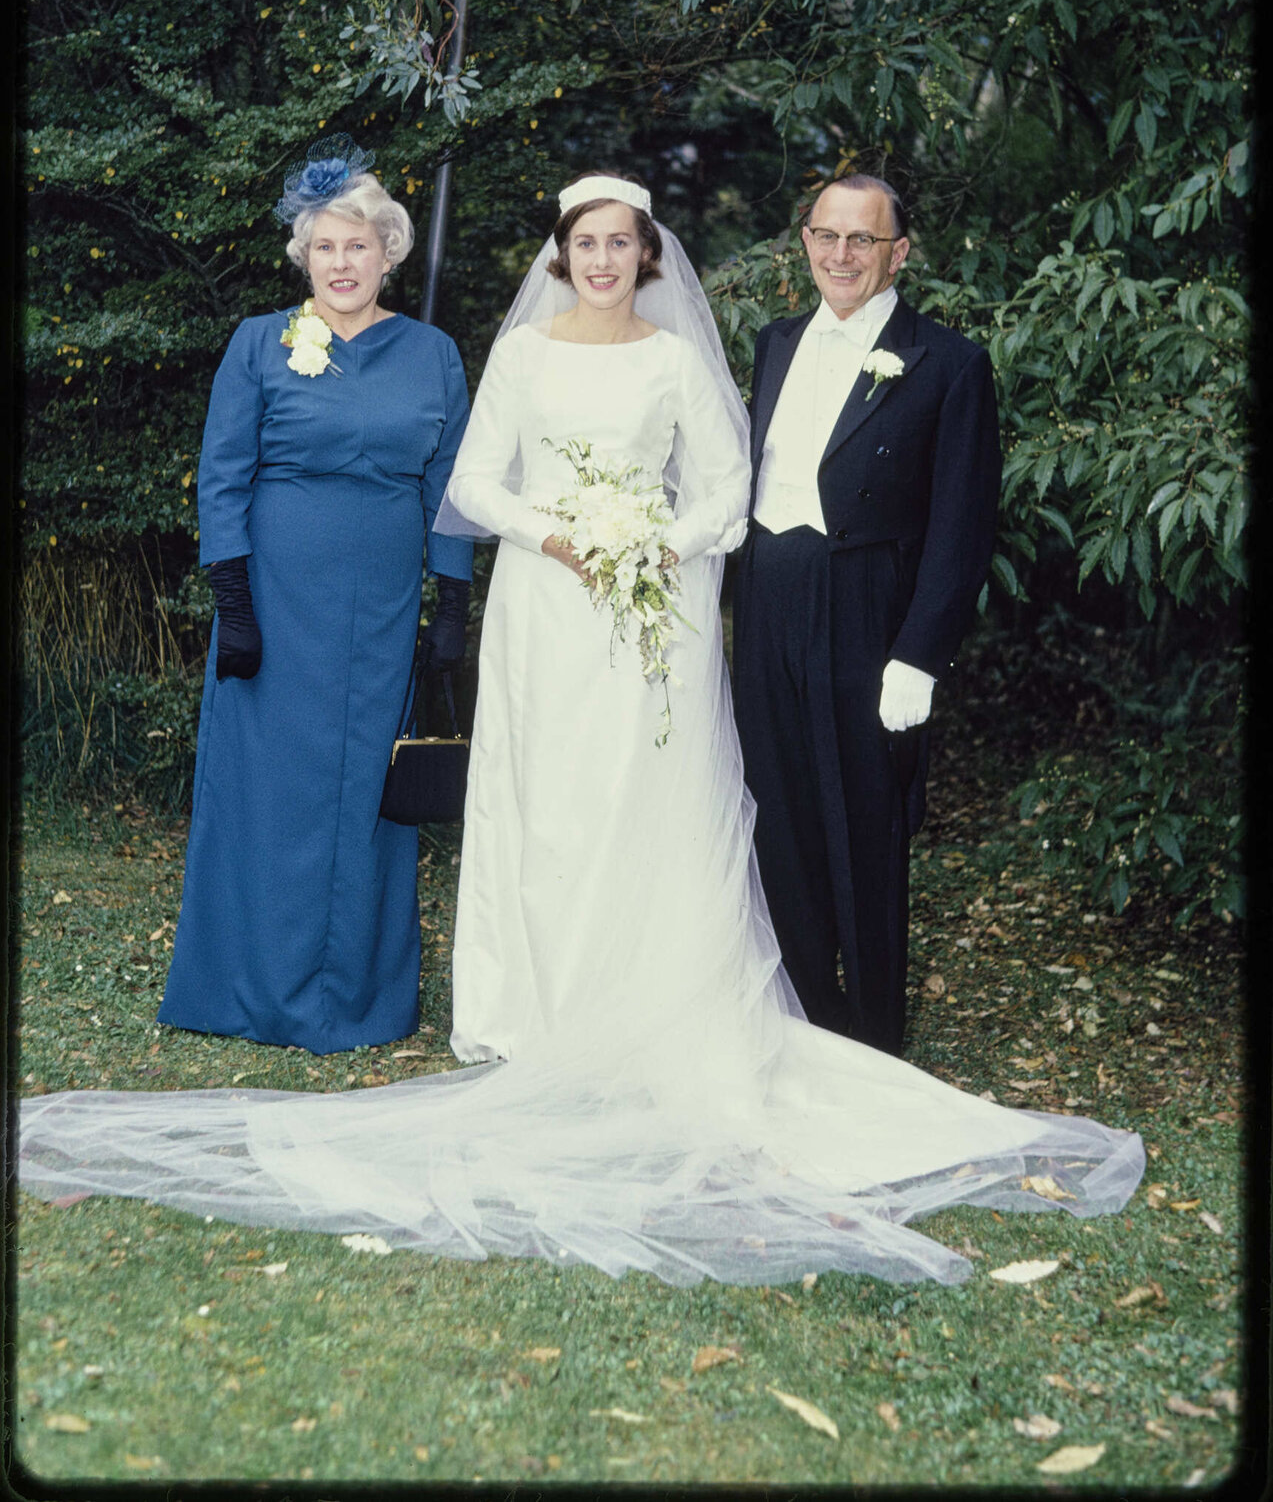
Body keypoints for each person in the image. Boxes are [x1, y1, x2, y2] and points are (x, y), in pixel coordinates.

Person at [19, 173, 1142, 1288]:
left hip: (652, 624)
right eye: (584, 243)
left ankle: (661, 994)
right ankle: (533, 1007)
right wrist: (558, 537)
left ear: (648, 254)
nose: (603, 259)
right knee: (544, 801)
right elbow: (471, 482)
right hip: (545, 617)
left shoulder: (681, 360)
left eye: (621, 243)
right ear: (560, 254)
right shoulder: (516, 354)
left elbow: (727, 489)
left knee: (637, 799)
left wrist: (657, 543)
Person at [155, 134, 473, 1054]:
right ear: (305, 256)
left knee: (366, 797)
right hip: (275, 610)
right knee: (268, 797)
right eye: (325, 247)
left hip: (379, 611)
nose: (342, 262)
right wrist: (235, 605)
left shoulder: (433, 354)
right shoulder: (260, 344)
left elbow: (448, 486)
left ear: (388, 253)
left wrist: (449, 607)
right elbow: (221, 477)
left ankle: (359, 997)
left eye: (359, 245)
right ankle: (244, 988)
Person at [733, 172, 1001, 1057]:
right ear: (803, 241)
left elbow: (961, 526)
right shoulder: (773, 343)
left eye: (862, 240)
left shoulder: (948, 363)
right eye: (825, 235)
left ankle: (877, 1047)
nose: (840, 255)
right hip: (766, 603)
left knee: (866, 829)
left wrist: (918, 655)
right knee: (778, 818)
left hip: (865, 618)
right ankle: (815, 1028)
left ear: (898, 254)